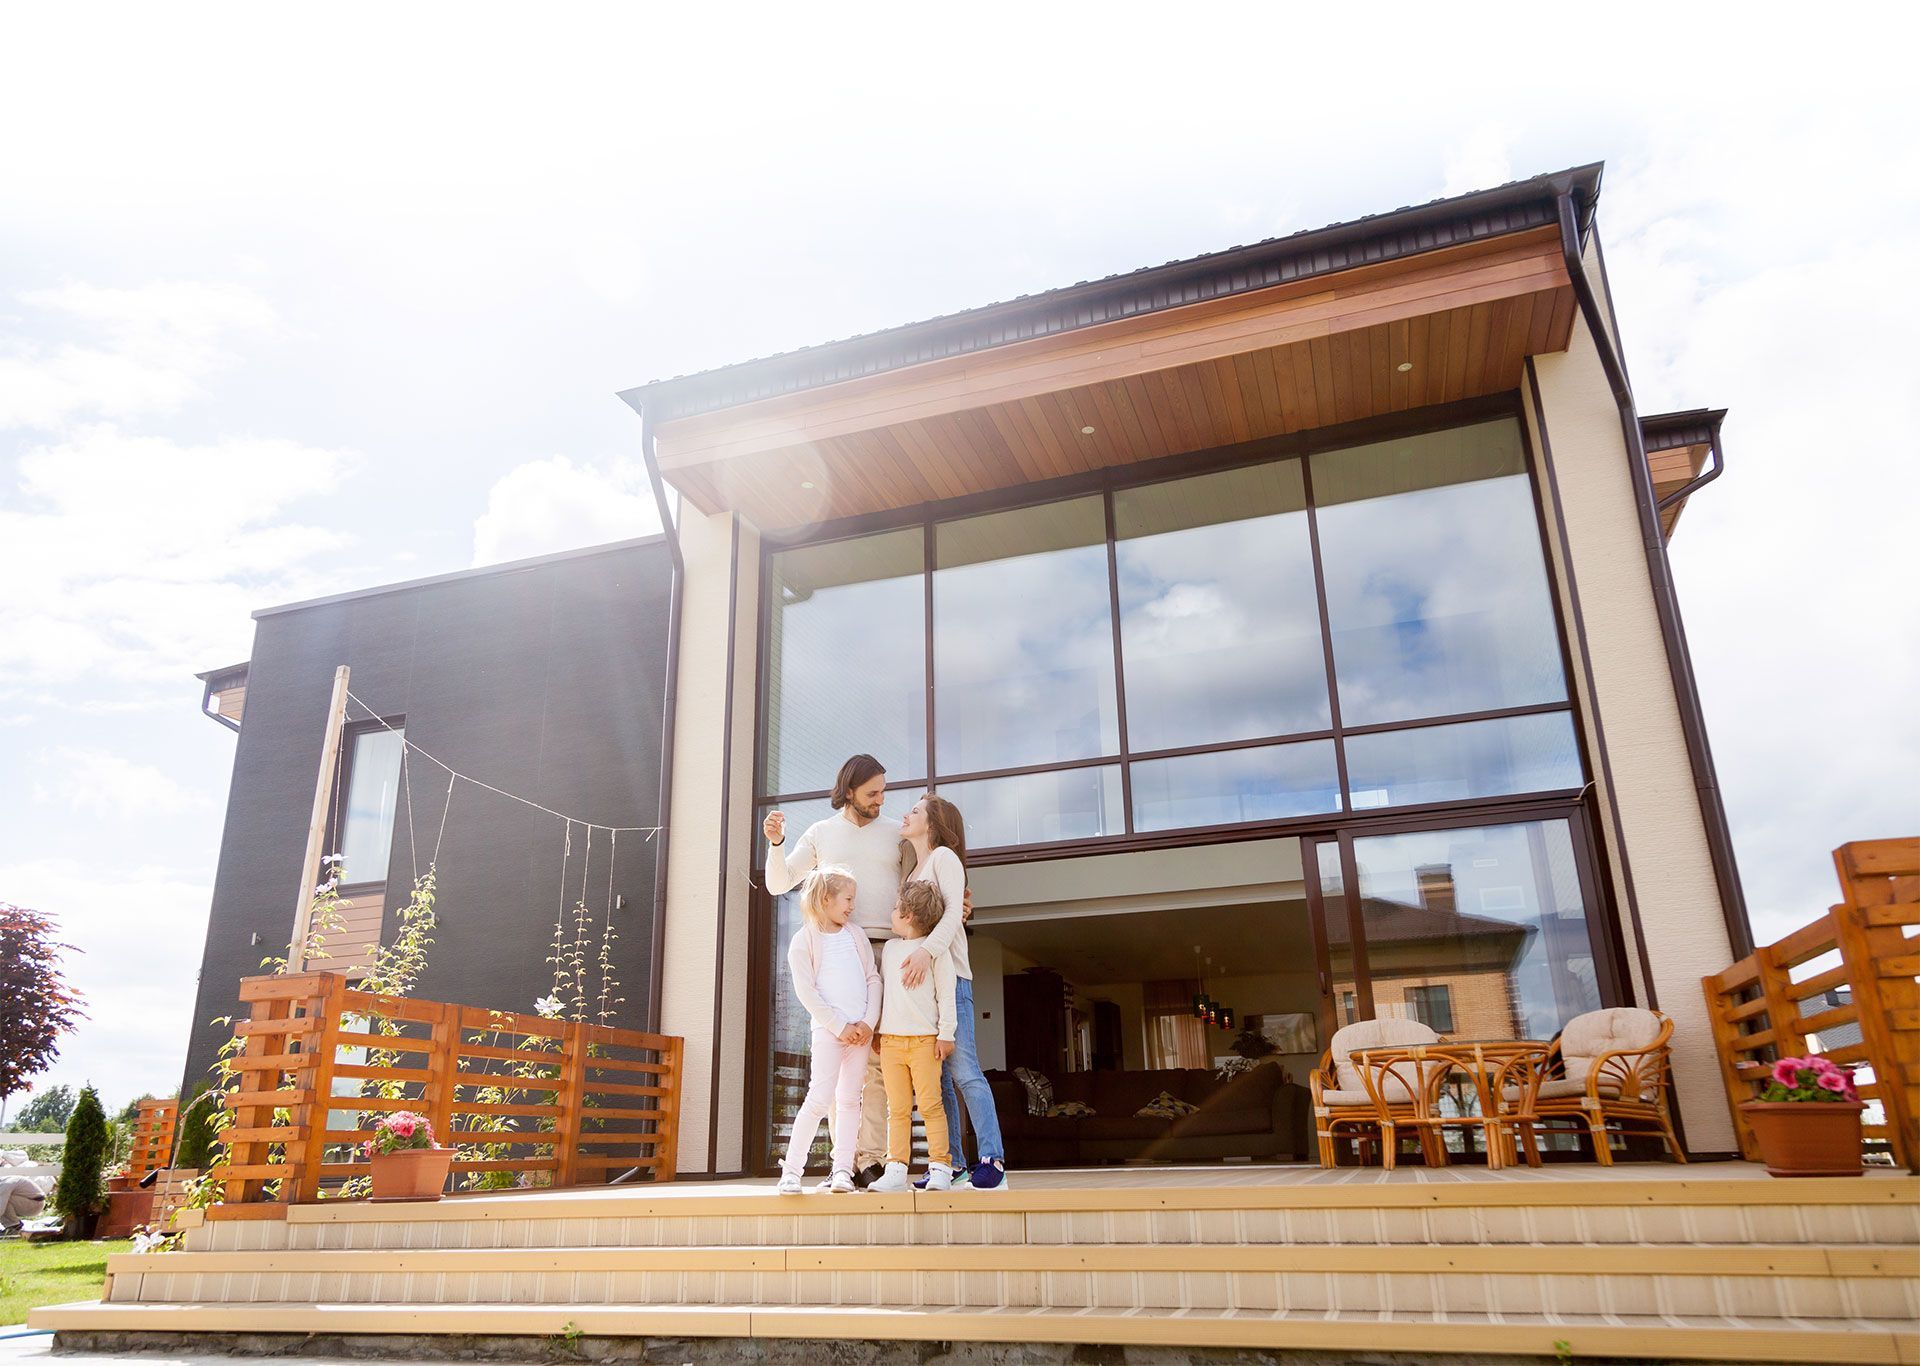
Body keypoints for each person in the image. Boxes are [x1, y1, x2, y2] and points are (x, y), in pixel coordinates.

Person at [763, 754, 912, 1187]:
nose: (882, 800)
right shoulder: (821, 833)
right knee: (841, 1064)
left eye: (883, 791)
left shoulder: (894, 836)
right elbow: (779, 883)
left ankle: (868, 1160)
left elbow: (918, 884)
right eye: (873, 793)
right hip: (835, 952)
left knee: (881, 1061)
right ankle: (846, 1163)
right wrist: (775, 844)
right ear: (849, 791)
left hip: (885, 949)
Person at [899, 793, 1009, 1190]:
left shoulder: (944, 858)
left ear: (932, 824)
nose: (905, 814)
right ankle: (953, 1164)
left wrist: (926, 952)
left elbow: (950, 917)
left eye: (914, 811)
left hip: (952, 979)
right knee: (938, 1081)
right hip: (924, 989)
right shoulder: (913, 868)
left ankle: (992, 1158)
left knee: (964, 1073)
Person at [774, 866, 880, 1195]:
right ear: (826, 899)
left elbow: (872, 978)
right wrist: (839, 1026)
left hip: (859, 1035)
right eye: (848, 899)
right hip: (829, 1033)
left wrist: (867, 1023)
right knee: (819, 1099)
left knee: (850, 1101)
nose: (851, 906)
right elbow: (807, 993)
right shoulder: (803, 941)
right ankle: (791, 1171)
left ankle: (843, 1171)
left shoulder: (856, 935)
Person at [868, 879, 955, 1193]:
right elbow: (884, 993)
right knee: (898, 1109)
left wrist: (946, 1034)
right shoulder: (890, 950)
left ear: (907, 916)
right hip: (891, 1042)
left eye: (894, 909)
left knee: (931, 1106)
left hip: (924, 1043)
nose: (891, 913)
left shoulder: (936, 952)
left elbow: (946, 995)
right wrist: (878, 1029)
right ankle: (895, 1169)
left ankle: (940, 1166)